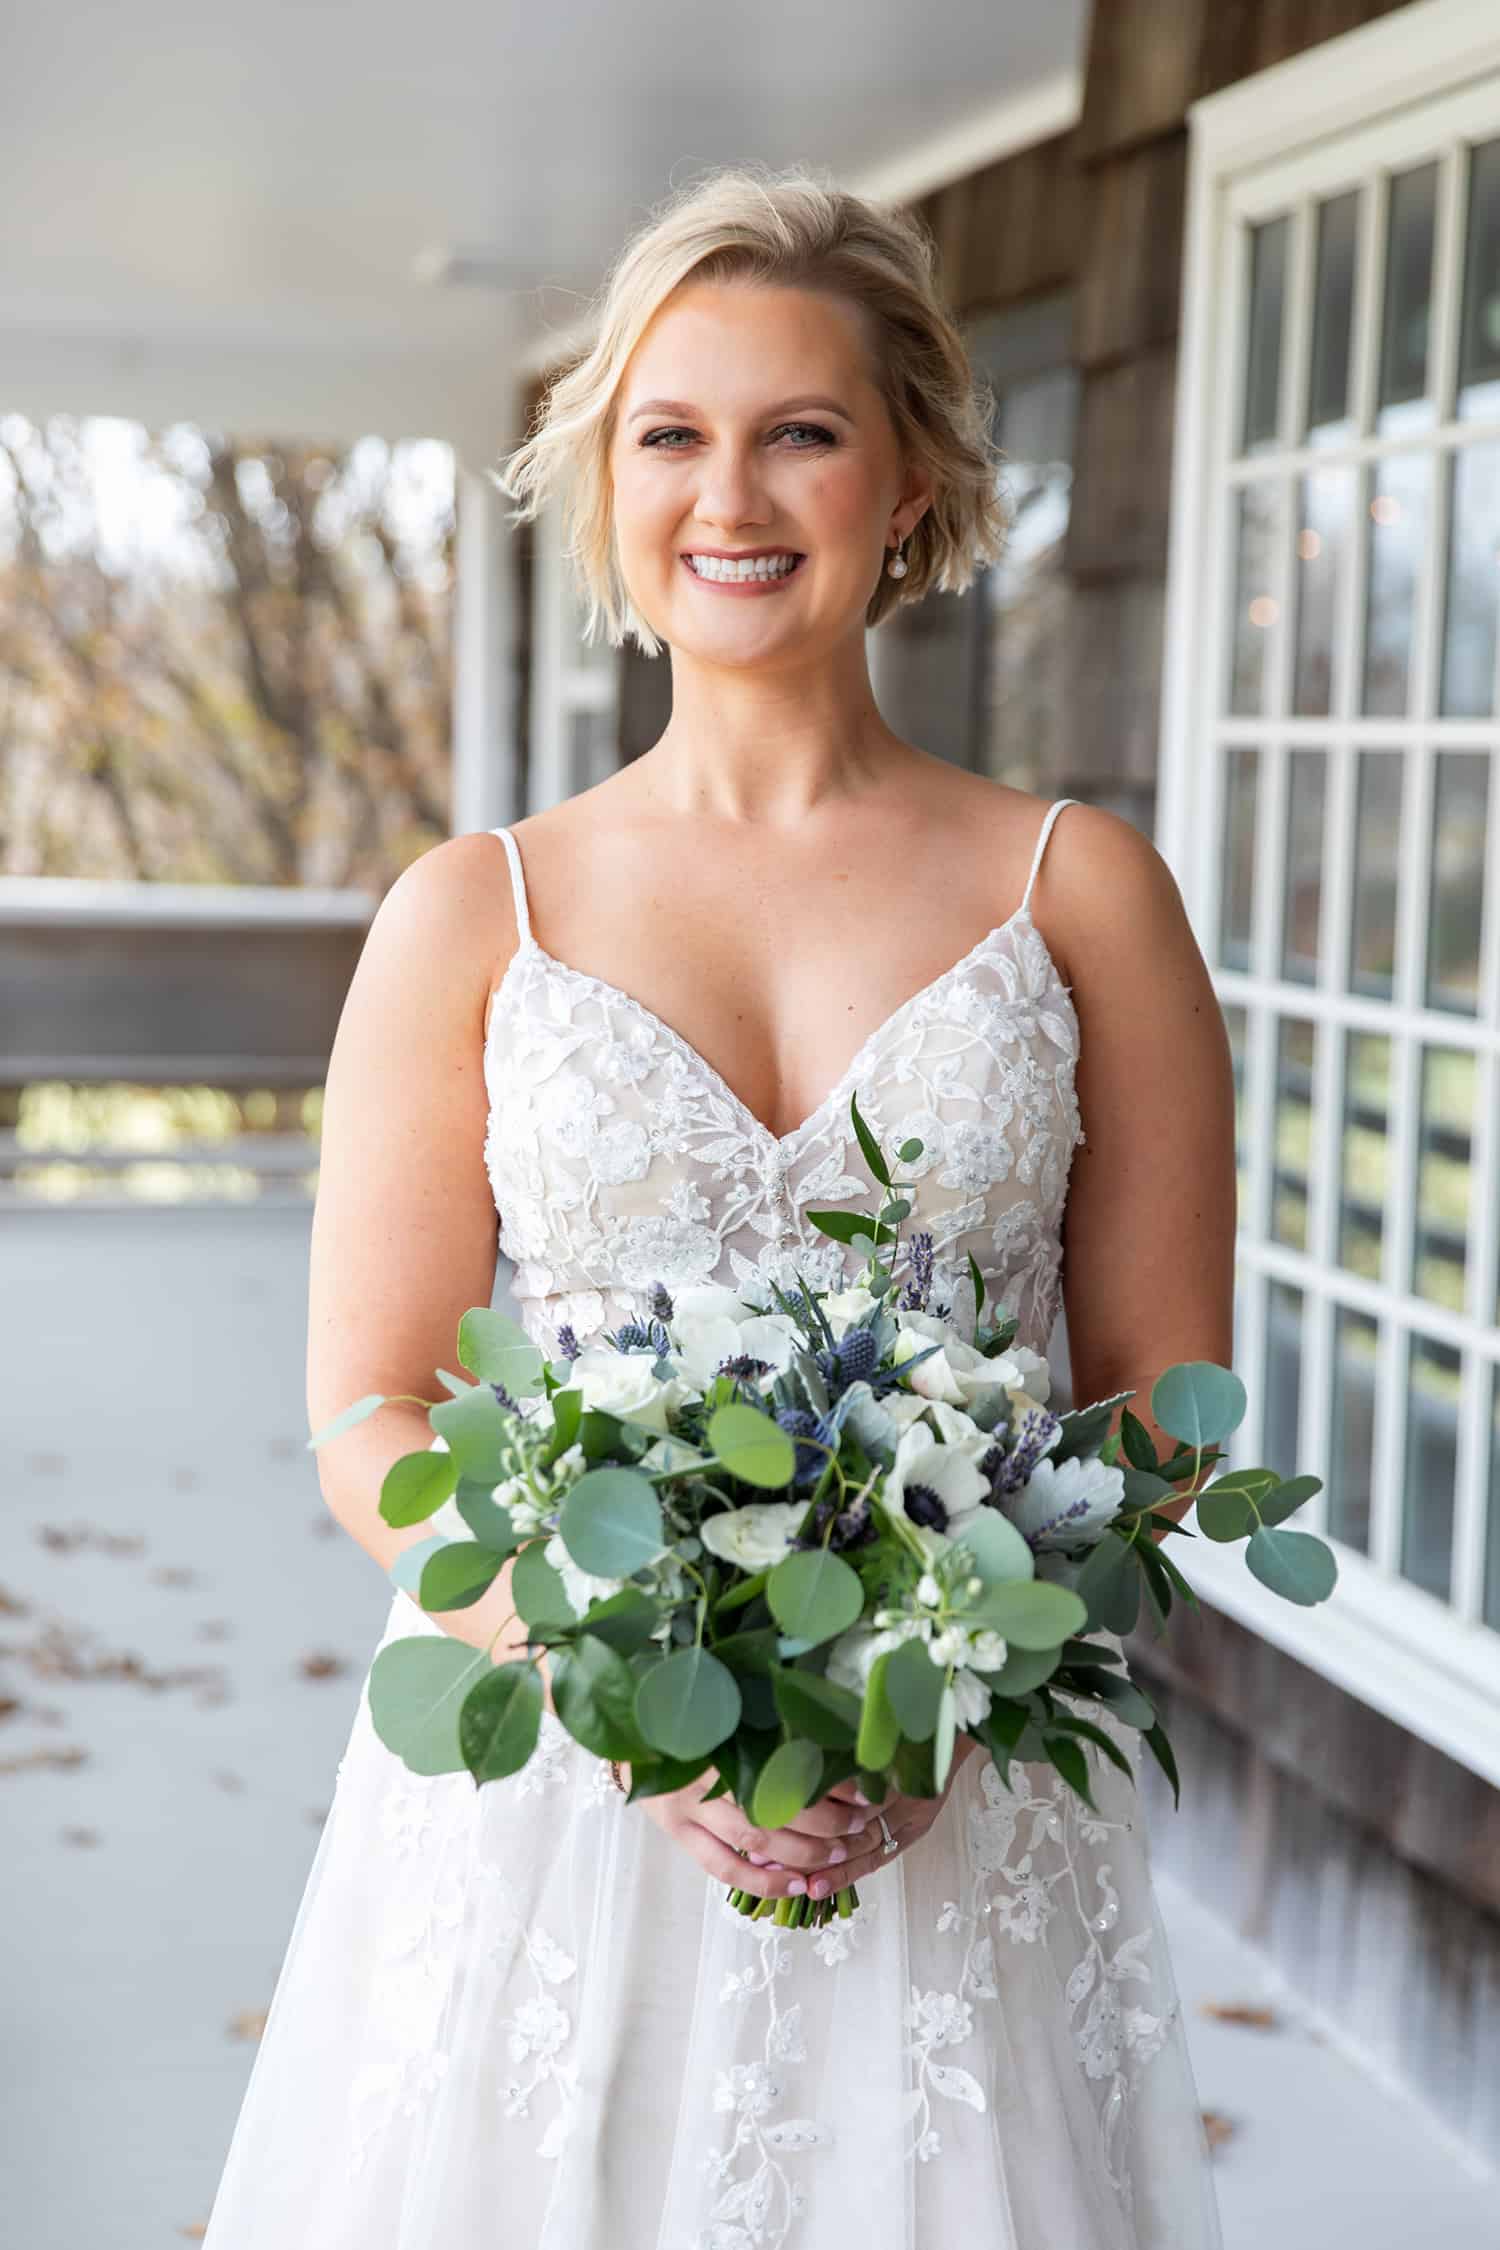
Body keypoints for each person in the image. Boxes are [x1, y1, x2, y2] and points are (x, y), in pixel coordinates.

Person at [202, 162, 1235, 2248]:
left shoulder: (1081, 894)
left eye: (804, 430)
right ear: (606, 481)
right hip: (550, 1808)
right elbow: (369, 1416)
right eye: (670, 433)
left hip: (952, 1795)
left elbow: (1164, 1397)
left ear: (915, 477)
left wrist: (945, 1691)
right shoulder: (469, 916)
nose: (731, 493)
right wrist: (617, 1688)